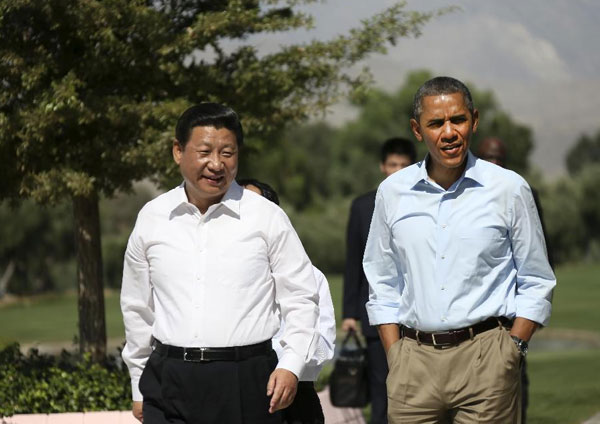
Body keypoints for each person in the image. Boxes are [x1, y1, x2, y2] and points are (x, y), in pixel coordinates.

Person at [363, 76, 556, 423]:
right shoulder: (392, 192)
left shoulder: (509, 189)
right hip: (413, 362)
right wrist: (396, 353)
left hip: (487, 359)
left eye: (458, 120)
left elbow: (537, 278)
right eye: (436, 123)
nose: (449, 132)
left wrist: (513, 350)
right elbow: (381, 280)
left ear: (474, 120)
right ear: (417, 130)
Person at [120, 103, 320, 424]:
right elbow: (137, 309)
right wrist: (138, 384)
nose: (216, 164)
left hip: (246, 381)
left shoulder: (265, 216)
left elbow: (300, 296)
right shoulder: (152, 218)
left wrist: (291, 365)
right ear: (177, 151)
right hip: (168, 379)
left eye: (227, 153)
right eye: (204, 152)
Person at [239, 178, 336, 424]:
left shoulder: (310, 276)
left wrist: (287, 364)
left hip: (295, 394)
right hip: (237, 394)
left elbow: (323, 343)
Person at [476, 136, 554, 424]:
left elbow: (539, 255)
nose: (493, 163)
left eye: (498, 158)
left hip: (511, 313)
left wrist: (531, 314)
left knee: (514, 380)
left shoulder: (521, 191)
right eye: (487, 158)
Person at [342, 137, 417, 424]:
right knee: (381, 393)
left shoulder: (426, 201)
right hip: (375, 317)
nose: (397, 171)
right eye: (392, 164)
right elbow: (354, 262)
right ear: (382, 166)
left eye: (404, 165)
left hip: (417, 317)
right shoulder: (362, 206)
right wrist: (349, 313)